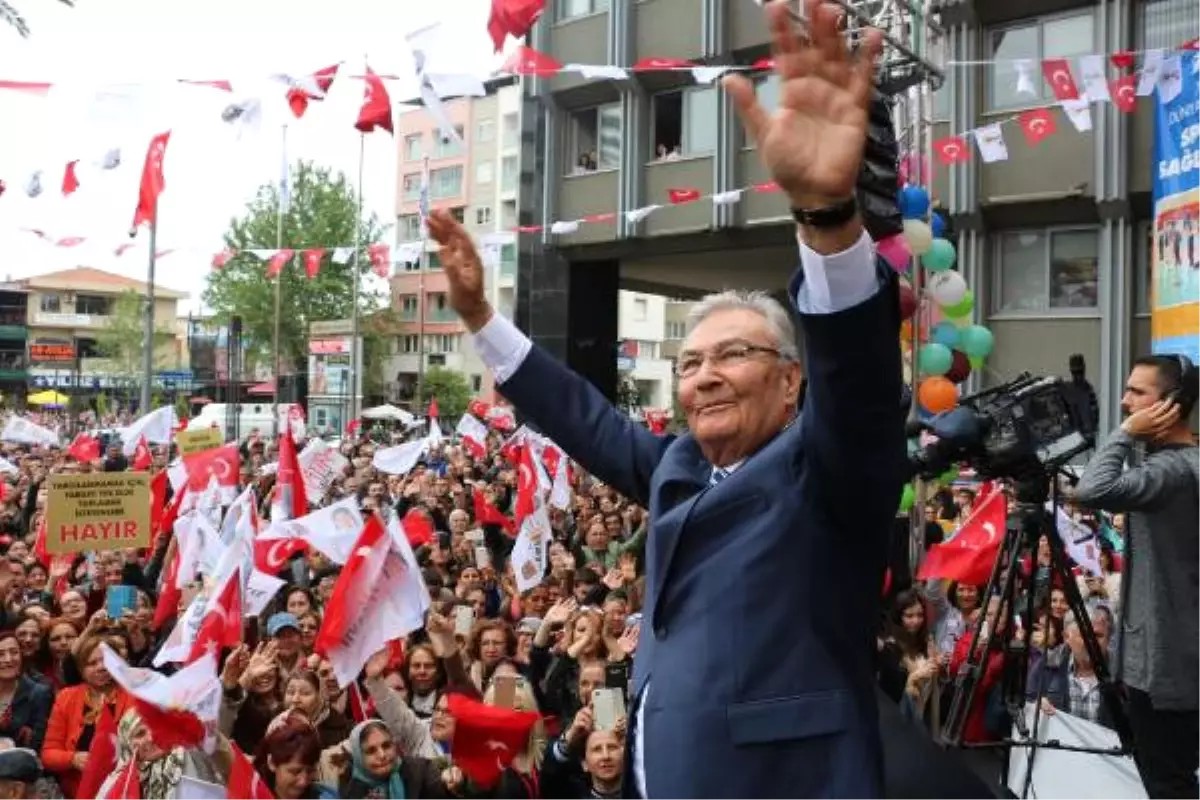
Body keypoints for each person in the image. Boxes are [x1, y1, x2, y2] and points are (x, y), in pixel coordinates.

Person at [425, 1, 906, 796]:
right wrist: (480, 318)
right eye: (689, 363)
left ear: (791, 380)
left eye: (734, 355)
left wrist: (826, 217)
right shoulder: (678, 466)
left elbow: (856, 382)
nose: (704, 376)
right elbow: (583, 418)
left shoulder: (829, 471)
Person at [1074, 354, 1200, 799]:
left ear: (1172, 404)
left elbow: (1092, 489)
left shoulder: (1169, 471)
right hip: (1174, 663)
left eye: (1137, 392)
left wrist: (1125, 435)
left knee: (1168, 784)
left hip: (1166, 670)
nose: (1126, 402)